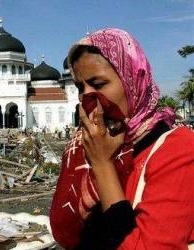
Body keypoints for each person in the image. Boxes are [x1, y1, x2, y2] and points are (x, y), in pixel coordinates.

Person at [50, 28, 194, 250]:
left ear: (133, 81)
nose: (86, 96)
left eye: (98, 84)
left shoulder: (177, 149)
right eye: (80, 87)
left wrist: (102, 165)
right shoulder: (88, 147)